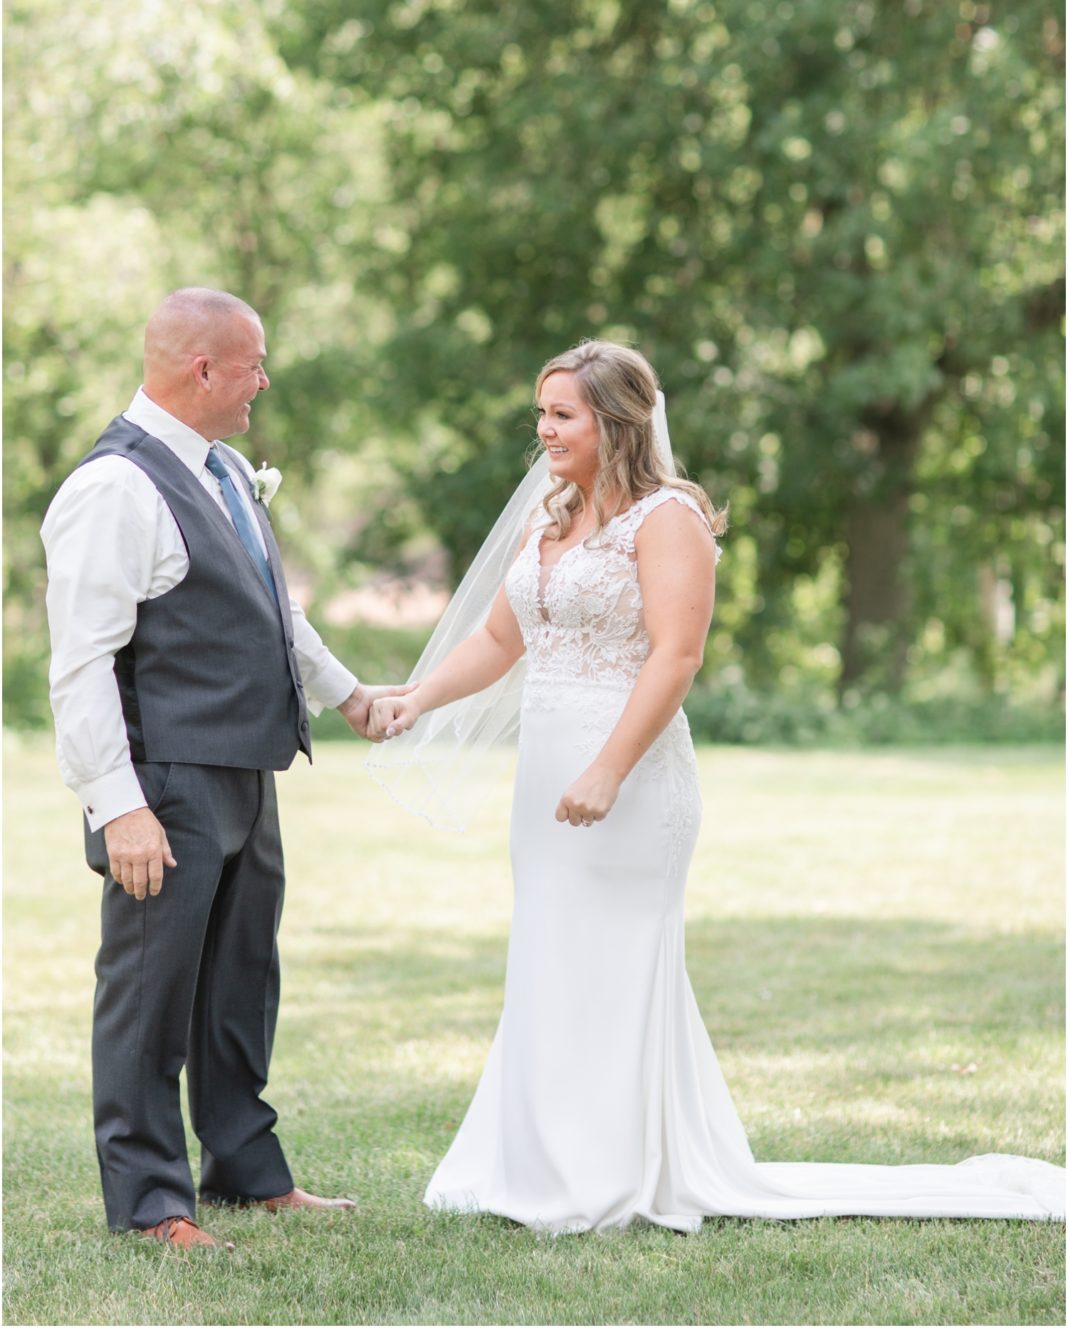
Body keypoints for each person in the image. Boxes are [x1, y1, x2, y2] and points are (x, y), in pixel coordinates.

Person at [369, 339, 1064, 1233]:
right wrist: (416, 697)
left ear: (616, 421)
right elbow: (502, 642)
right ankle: (546, 1161)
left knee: (613, 961)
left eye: (562, 414)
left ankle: (612, 1174)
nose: (544, 430)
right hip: (543, 780)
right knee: (550, 955)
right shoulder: (553, 521)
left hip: (628, 775)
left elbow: (678, 654)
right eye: (541, 413)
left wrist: (609, 769)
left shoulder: (668, 520)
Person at [41, 287, 409, 1251]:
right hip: (164, 785)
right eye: (251, 363)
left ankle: (248, 1172)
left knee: (240, 982)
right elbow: (79, 668)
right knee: (150, 989)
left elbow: (271, 609)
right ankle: (154, 1203)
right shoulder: (113, 488)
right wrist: (118, 808)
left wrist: (348, 693)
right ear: (202, 370)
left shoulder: (225, 468)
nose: (264, 380)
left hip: (249, 771)